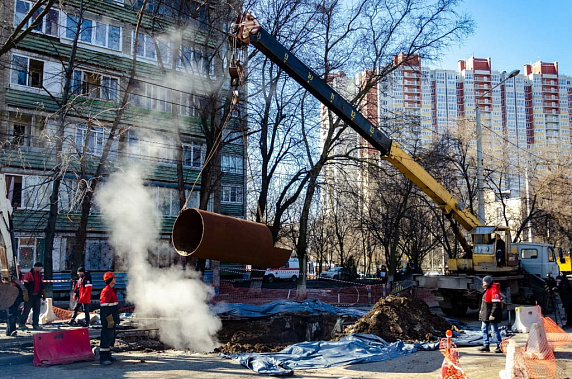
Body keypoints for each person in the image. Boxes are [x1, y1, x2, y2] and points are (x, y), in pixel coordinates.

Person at [478, 275, 503, 353]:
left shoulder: (493, 291)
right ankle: (486, 345)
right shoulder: (487, 290)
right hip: (485, 313)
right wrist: (481, 312)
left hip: (490, 314)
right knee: (484, 329)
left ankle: (499, 346)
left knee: (494, 330)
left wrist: (492, 315)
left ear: (488, 282)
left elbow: (496, 304)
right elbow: (484, 303)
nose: (483, 283)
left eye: (484, 282)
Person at [99, 271, 119, 365]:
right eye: (114, 277)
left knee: (111, 337)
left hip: (112, 317)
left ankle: (108, 355)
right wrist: (108, 318)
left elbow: (114, 305)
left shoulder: (112, 289)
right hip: (108, 318)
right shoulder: (106, 291)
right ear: (110, 280)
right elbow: (104, 307)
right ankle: (103, 357)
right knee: (106, 337)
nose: (115, 279)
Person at [20, 262, 44, 330]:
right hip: (30, 296)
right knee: (26, 310)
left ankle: (35, 324)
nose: (41, 269)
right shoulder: (29, 274)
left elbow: (41, 284)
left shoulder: (40, 275)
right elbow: (25, 285)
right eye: (40, 267)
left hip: (37, 296)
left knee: (37, 310)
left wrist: (42, 292)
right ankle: (22, 323)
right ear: (36, 267)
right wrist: (26, 295)